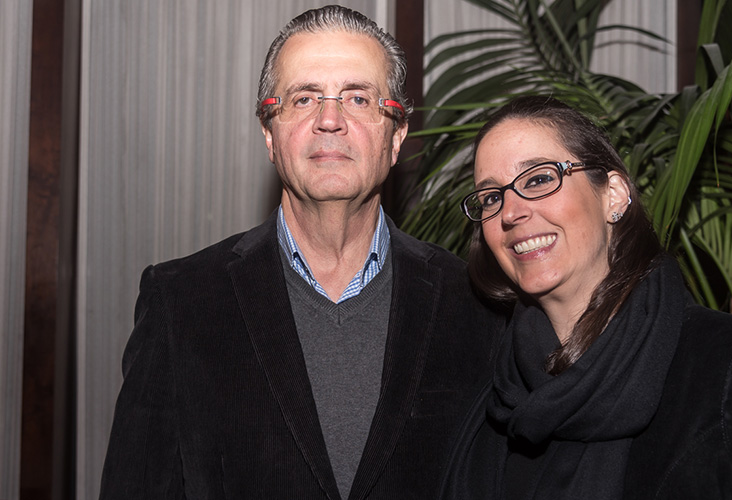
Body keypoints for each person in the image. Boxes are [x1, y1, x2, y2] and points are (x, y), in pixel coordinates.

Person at [99, 6, 504, 499]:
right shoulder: (179, 302)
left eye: (358, 98)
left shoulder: (476, 305)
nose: (329, 120)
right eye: (304, 98)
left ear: (396, 136)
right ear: (270, 134)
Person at [438, 96, 732, 499]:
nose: (510, 212)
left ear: (613, 194)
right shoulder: (489, 400)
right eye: (491, 197)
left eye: (538, 179)